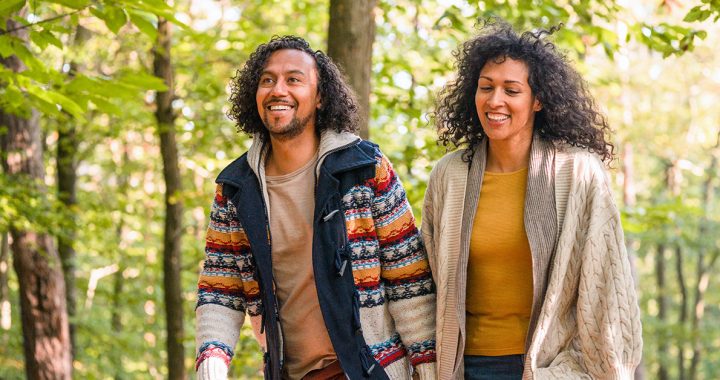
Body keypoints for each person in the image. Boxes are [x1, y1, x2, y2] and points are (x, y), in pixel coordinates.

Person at [195, 35, 437, 380]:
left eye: (294, 79)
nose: (278, 89)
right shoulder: (236, 187)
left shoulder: (365, 168)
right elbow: (220, 288)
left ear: (320, 96)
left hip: (370, 370)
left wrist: (428, 369)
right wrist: (211, 363)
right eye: (268, 80)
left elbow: (408, 278)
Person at [422, 19, 642, 379]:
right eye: (486, 87)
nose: (495, 101)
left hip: (548, 368)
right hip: (464, 366)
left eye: (512, 90)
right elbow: (426, 280)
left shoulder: (578, 173)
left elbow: (607, 286)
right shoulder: (450, 175)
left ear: (538, 99)